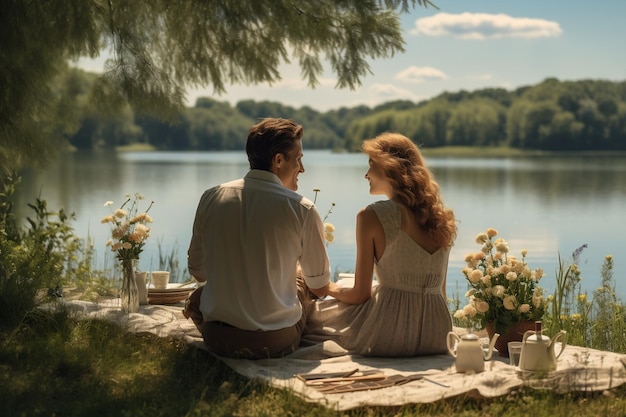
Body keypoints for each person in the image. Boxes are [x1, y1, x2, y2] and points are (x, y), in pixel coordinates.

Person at [183, 117, 331, 359]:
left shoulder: (211, 197)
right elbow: (321, 287)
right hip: (273, 343)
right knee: (302, 280)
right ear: (279, 160)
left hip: (217, 338)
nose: (302, 168)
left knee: (197, 297)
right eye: (299, 159)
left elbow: (199, 273)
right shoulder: (301, 208)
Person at [303, 132, 457, 356]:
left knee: (315, 317)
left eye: (371, 164)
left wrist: (326, 287)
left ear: (389, 167)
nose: (366, 174)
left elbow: (360, 294)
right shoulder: (441, 218)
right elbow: (440, 292)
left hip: (390, 332)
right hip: (439, 333)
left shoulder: (372, 215)